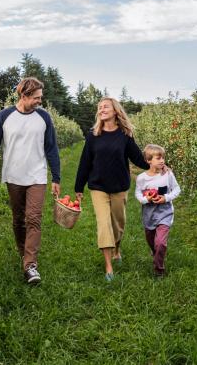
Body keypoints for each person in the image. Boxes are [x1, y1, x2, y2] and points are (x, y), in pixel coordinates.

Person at [0, 77, 61, 285]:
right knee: (18, 219)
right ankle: (24, 253)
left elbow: (51, 148)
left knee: (33, 218)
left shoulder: (44, 117)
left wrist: (56, 177)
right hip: (13, 176)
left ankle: (30, 265)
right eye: (36, 98)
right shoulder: (4, 116)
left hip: (37, 175)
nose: (40, 101)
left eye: (40, 98)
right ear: (24, 95)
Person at [74, 97, 149, 282]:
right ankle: (108, 266)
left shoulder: (125, 135)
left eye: (105, 106)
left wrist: (157, 165)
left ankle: (117, 249)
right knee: (104, 223)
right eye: (99, 107)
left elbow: (137, 159)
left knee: (118, 224)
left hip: (119, 186)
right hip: (98, 186)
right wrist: (79, 187)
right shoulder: (93, 135)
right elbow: (85, 162)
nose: (101, 109)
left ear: (115, 111)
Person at [135, 144, 180, 277]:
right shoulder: (142, 178)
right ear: (148, 160)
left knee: (160, 243)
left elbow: (177, 189)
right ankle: (156, 253)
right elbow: (138, 193)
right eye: (158, 158)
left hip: (165, 213)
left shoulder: (168, 174)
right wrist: (146, 199)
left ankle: (159, 269)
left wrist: (165, 198)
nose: (162, 161)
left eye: (163, 158)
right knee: (151, 241)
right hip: (149, 215)